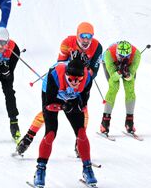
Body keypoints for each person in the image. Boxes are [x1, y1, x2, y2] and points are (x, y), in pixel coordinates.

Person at [17, 22, 102, 151]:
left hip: (79, 83)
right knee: (49, 112)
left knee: (83, 111)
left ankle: (79, 143)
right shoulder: (67, 43)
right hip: (62, 82)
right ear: (77, 35)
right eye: (83, 36)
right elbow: (60, 65)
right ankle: (28, 137)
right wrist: (72, 61)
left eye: (89, 36)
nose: (86, 40)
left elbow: (92, 74)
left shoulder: (97, 47)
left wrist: (84, 66)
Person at [28, 51, 98, 188]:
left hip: (71, 99)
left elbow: (83, 104)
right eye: (71, 79)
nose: (74, 82)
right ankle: (40, 170)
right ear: (66, 74)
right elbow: (49, 104)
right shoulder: (55, 74)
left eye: (78, 80)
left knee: (81, 133)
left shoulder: (88, 79)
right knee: (51, 133)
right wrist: (64, 105)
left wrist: (75, 105)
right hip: (52, 96)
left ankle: (87, 168)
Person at [99, 40, 142, 136]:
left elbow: (130, 77)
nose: (123, 58)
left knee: (130, 88)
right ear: (117, 53)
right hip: (110, 63)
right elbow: (113, 78)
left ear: (130, 54)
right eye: (121, 56)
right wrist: (118, 72)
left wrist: (127, 74)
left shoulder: (136, 55)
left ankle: (129, 122)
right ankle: (105, 123)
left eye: (126, 56)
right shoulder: (109, 54)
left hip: (129, 65)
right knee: (114, 87)